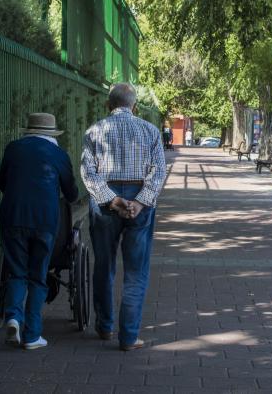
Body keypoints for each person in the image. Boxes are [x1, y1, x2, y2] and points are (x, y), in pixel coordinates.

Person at [81, 83, 166, 351]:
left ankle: (105, 327)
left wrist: (111, 199)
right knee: (136, 272)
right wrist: (140, 202)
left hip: (107, 199)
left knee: (104, 265)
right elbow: (158, 171)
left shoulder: (95, 131)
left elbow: (88, 172)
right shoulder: (150, 131)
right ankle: (128, 337)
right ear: (135, 106)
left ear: (109, 105)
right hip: (140, 194)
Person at [0, 113, 79, 350]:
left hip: (13, 217)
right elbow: (72, 193)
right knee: (38, 275)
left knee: (16, 272)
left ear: (29, 130)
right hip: (44, 221)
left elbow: (2, 182)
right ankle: (32, 335)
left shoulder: (13, 148)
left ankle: (13, 317)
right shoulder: (59, 155)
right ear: (52, 133)